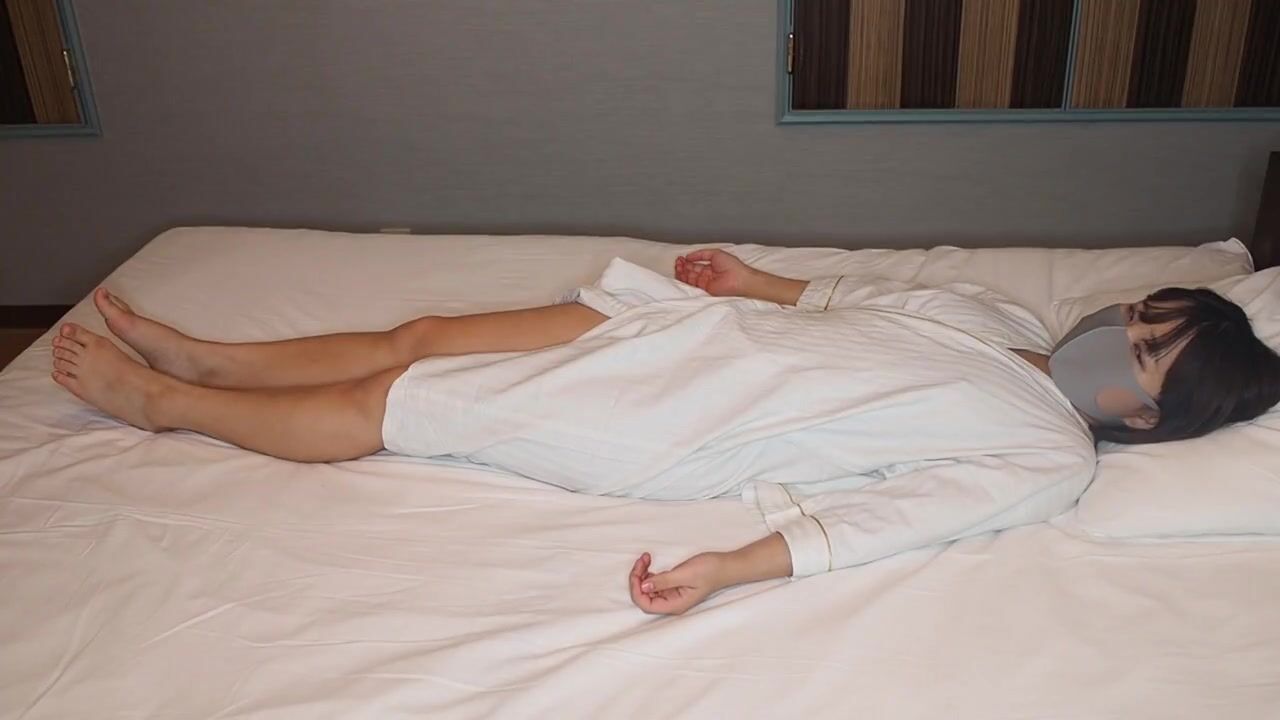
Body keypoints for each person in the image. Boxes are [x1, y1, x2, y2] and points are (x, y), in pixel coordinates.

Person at [49, 249, 1280, 615]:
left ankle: (168, 402)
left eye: (1139, 346)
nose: (1114, 326)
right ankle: (207, 356)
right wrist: (753, 285)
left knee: (396, 404)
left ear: (1142, 414)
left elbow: (897, 517)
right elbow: (865, 299)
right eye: (1136, 311)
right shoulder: (1003, 322)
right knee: (423, 332)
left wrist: (734, 565)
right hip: (678, 332)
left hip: (671, 417)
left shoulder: (1046, 454)